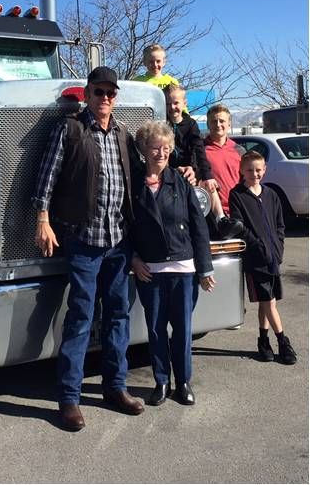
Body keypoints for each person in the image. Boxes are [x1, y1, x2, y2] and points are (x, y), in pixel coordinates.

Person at [32, 65, 144, 432]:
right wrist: (43, 220)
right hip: (83, 240)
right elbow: (46, 177)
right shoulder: (71, 129)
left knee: (118, 316)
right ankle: (69, 398)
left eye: (111, 93)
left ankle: (115, 387)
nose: (106, 99)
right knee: (80, 317)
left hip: (118, 241)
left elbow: (144, 176)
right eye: (99, 92)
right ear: (87, 93)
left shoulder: (124, 134)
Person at [130, 120, 216, 407]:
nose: (161, 153)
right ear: (143, 149)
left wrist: (205, 268)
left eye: (166, 148)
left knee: (182, 329)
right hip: (149, 272)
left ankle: (183, 382)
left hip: (183, 270)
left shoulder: (181, 181)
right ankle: (161, 381)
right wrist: (133, 258)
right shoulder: (133, 184)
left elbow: (198, 227)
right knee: (155, 331)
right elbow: (123, 226)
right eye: (155, 147)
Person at [229, 151, 297, 365]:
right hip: (256, 259)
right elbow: (241, 228)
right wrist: (259, 248)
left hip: (273, 258)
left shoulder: (271, 195)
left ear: (264, 169)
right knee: (269, 301)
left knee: (268, 303)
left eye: (258, 170)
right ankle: (283, 342)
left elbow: (279, 225)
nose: (254, 174)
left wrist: (278, 248)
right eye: (249, 170)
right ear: (241, 170)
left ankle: (263, 340)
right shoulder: (237, 195)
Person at [165, 85, 243, 239]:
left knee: (208, 184)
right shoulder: (161, 123)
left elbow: (198, 152)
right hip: (168, 172)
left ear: (184, 103)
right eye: (168, 103)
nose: (172, 107)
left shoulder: (191, 125)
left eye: (176, 103)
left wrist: (203, 174)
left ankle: (221, 219)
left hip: (188, 173)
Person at [204, 103, 246, 233]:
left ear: (229, 124)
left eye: (222, 121)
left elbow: (246, 181)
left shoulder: (239, 151)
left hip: (237, 212)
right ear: (208, 124)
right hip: (210, 214)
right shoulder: (200, 150)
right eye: (213, 121)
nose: (217, 124)